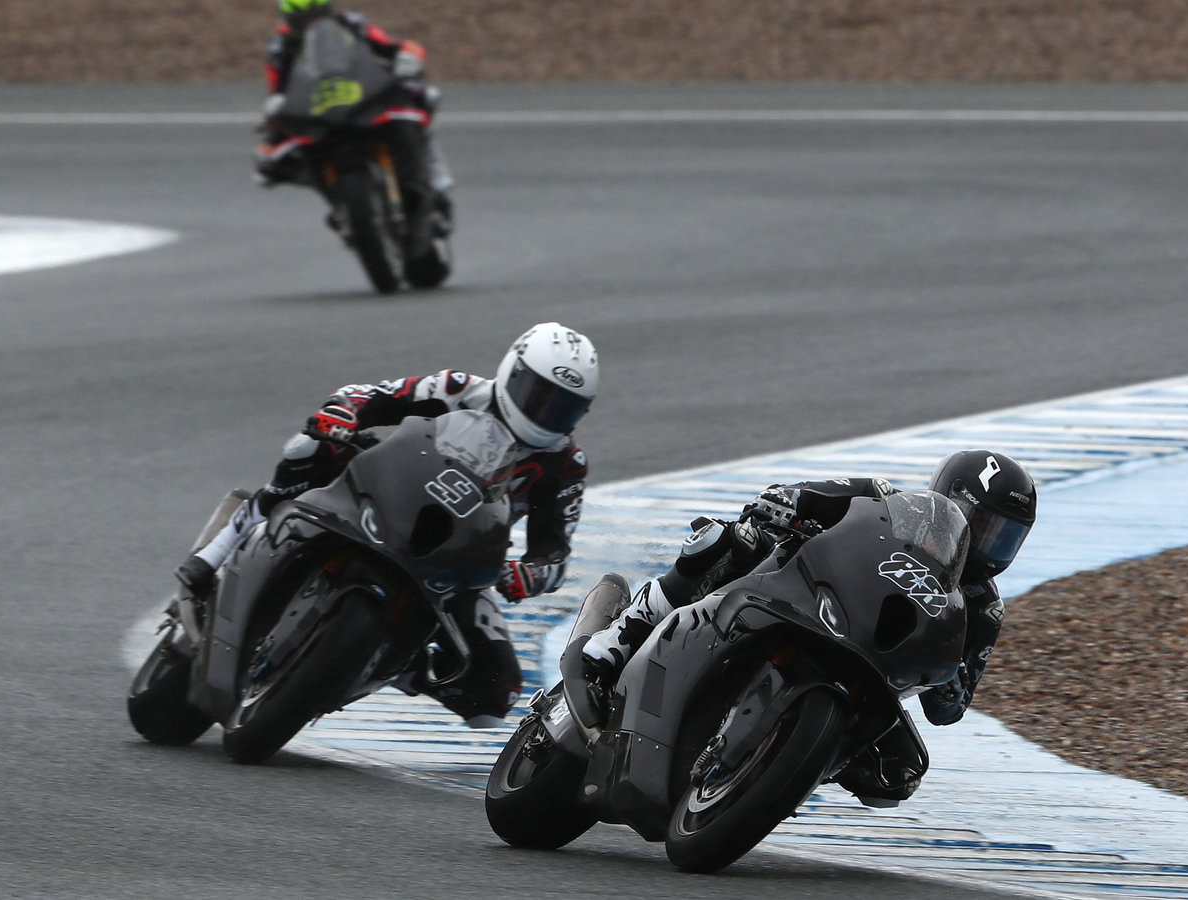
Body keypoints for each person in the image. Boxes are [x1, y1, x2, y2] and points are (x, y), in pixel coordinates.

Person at [173, 323, 598, 728]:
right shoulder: (459, 389)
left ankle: (387, 664)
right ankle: (218, 551)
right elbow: (373, 395)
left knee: (496, 691)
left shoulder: (565, 465)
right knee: (307, 449)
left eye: (563, 407)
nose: (546, 414)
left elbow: (555, 554)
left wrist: (529, 574)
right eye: (538, 396)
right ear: (512, 372)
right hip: (384, 493)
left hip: (455, 555)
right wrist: (343, 412)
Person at [583, 450, 1037, 806]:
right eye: (982, 525)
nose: (986, 544)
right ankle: (623, 634)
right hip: (795, 590)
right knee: (727, 540)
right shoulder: (885, 501)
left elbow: (947, 708)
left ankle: (782, 766)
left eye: (1004, 536)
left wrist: (950, 677)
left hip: (869, 668)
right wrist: (786, 507)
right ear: (949, 496)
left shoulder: (982, 609)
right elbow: (788, 495)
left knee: (899, 773)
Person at [253, 0, 454, 237]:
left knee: (421, 98)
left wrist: (406, 58)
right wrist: (276, 104)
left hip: (365, 91)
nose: (311, 24)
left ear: (328, 10)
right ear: (289, 20)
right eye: (302, 19)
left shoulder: (352, 24)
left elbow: (395, 46)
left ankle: (437, 181)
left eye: (316, 16)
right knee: (268, 158)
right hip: (319, 107)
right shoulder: (281, 45)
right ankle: (337, 201)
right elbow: (278, 88)